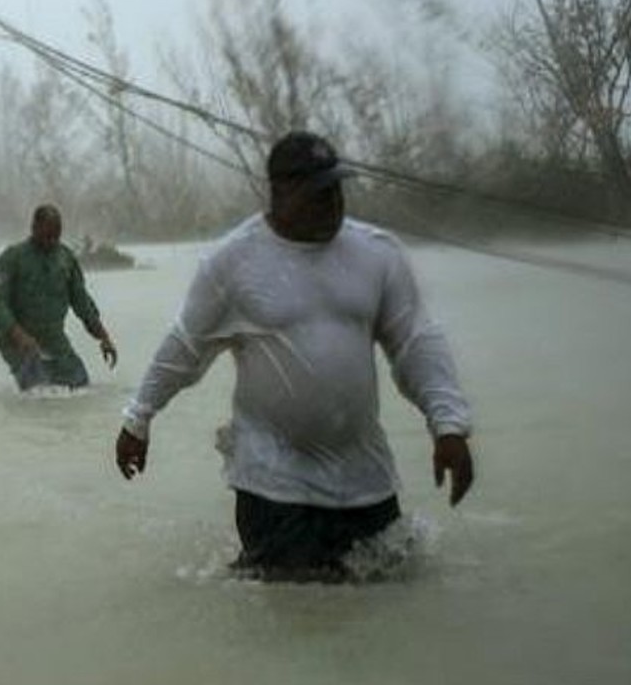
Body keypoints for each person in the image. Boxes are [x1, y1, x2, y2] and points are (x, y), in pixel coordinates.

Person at [114, 131, 476, 581]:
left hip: (365, 480)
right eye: (318, 193)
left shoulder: (376, 252)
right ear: (280, 191)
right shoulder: (232, 262)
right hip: (273, 485)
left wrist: (449, 426)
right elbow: (184, 349)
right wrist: (138, 419)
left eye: (337, 190)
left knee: (385, 607)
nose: (333, 204)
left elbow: (415, 342)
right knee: (292, 615)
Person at [0, 204, 118, 391]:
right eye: (47, 235)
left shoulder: (65, 259)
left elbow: (82, 302)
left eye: (56, 236)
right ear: (34, 228)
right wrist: (19, 335)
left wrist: (104, 337)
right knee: (39, 393)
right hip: (17, 341)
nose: (51, 241)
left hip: (54, 340)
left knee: (80, 386)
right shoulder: (13, 258)